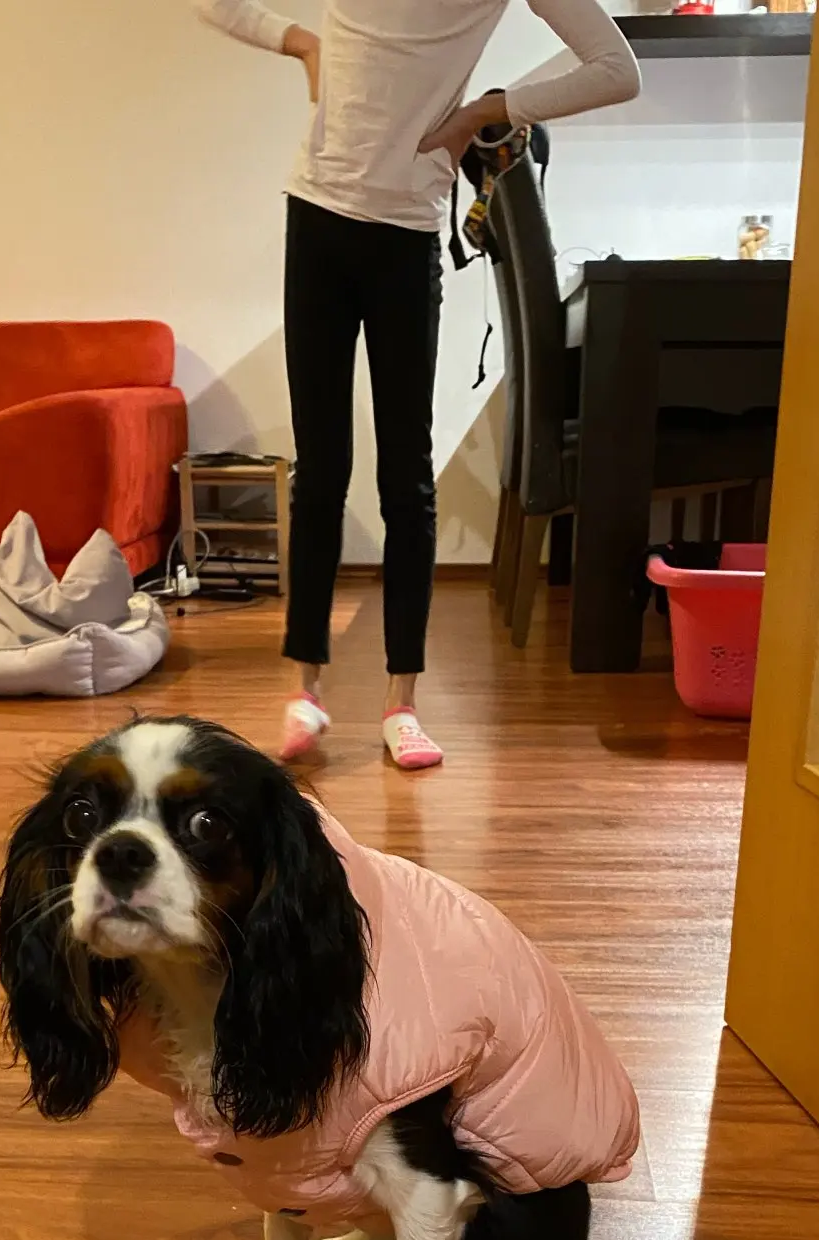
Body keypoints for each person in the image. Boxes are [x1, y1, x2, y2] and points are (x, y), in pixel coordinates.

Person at [198, 0, 641, 770]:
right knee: (321, 469)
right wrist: (299, 42)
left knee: (407, 479)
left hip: (406, 237)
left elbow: (616, 70)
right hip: (318, 217)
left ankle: (402, 705)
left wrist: (488, 110)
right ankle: (306, 690)